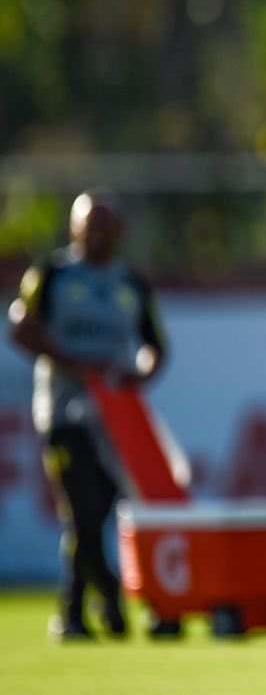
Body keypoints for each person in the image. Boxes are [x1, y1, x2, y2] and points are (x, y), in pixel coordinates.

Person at [7, 191, 167, 641]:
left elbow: (156, 346)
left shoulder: (132, 283)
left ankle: (76, 612)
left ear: (120, 232)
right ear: (73, 228)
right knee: (81, 510)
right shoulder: (52, 273)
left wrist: (139, 375)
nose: (97, 234)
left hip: (115, 418)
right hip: (63, 414)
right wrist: (72, 363)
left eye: (106, 225)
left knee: (101, 515)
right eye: (89, 224)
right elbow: (21, 327)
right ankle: (109, 598)